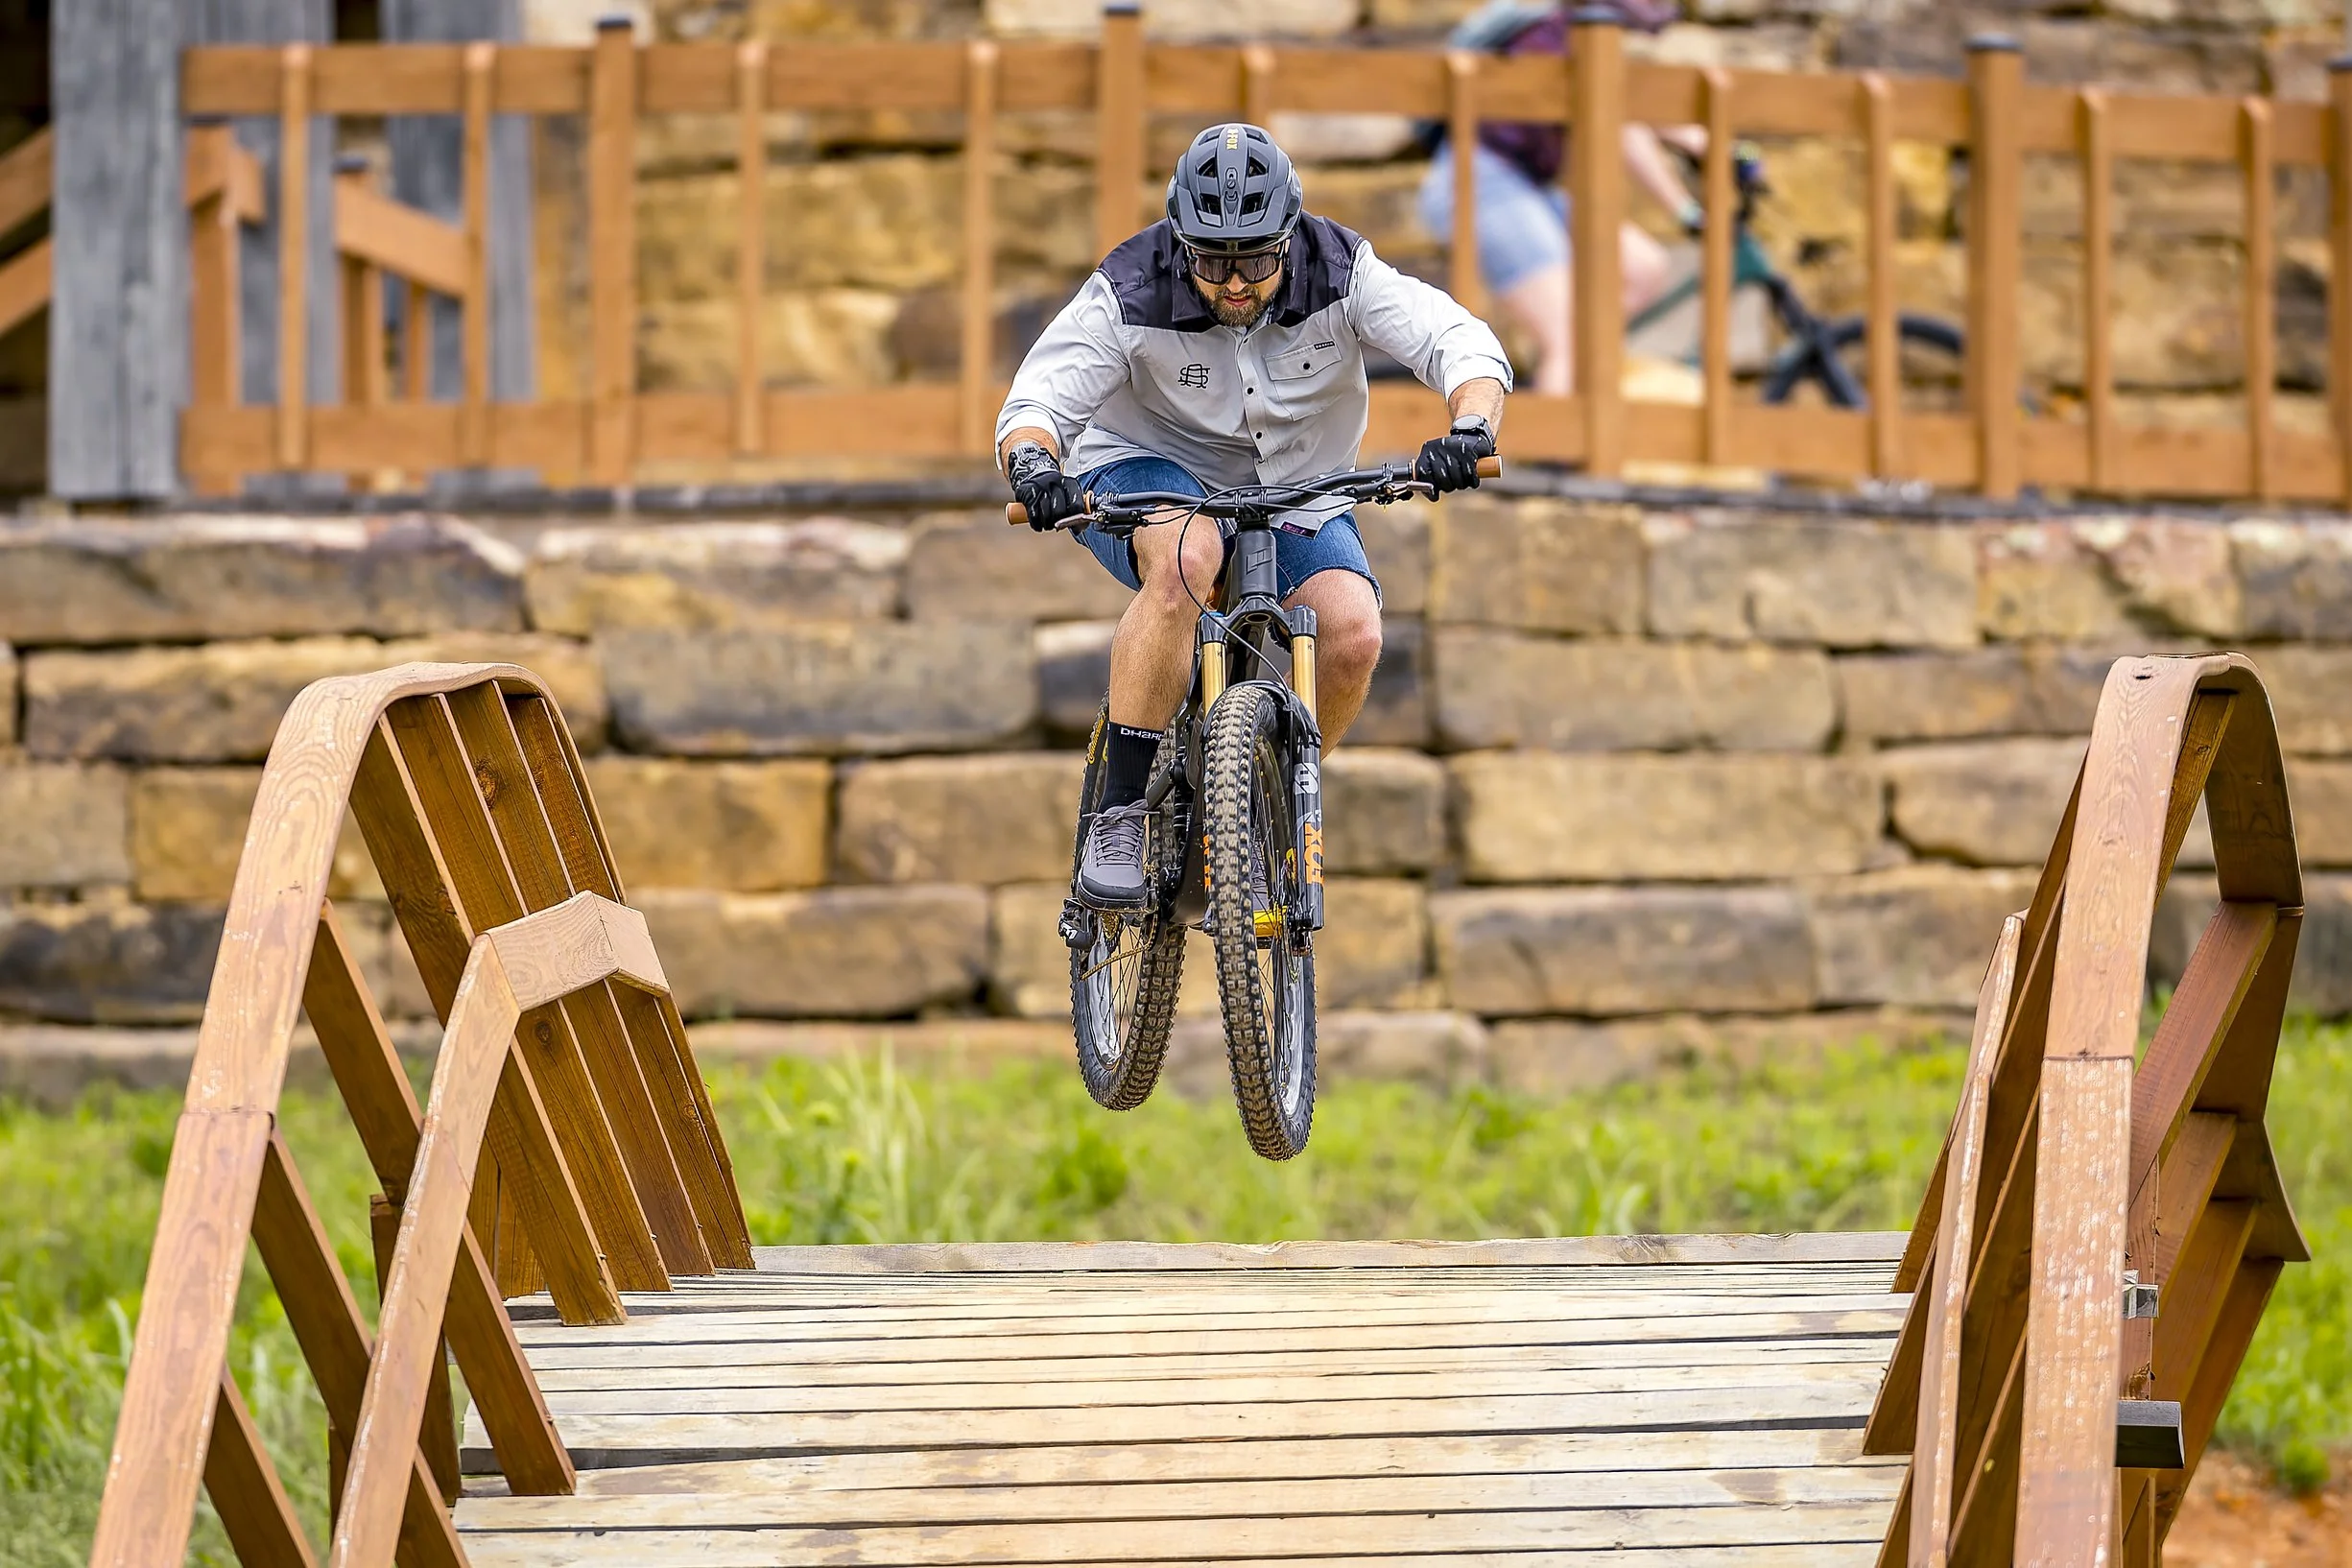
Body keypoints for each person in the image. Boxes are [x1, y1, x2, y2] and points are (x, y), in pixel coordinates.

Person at [999, 122, 1511, 912]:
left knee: (1353, 632)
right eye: (1211, 263)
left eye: (1256, 261)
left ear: (1290, 237)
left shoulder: (1341, 269)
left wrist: (1470, 428)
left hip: (1298, 486)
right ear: (1180, 243)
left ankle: (1261, 808)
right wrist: (1036, 467)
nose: (1234, 285)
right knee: (1187, 559)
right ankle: (1121, 814)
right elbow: (1036, 404)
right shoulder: (1129, 287)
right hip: (1145, 467)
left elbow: (1458, 342)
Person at [1416, 0, 1702, 396]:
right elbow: (1622, 127)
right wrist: (1684, 208)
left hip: (1528, 182)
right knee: (1566, 333)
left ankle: (1569, 377)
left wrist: (1694, 141)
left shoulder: (1587, 40)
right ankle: (1558, 415)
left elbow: (1623, 109)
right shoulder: (1552, 38)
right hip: (1481, 179)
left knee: (1642, 271)